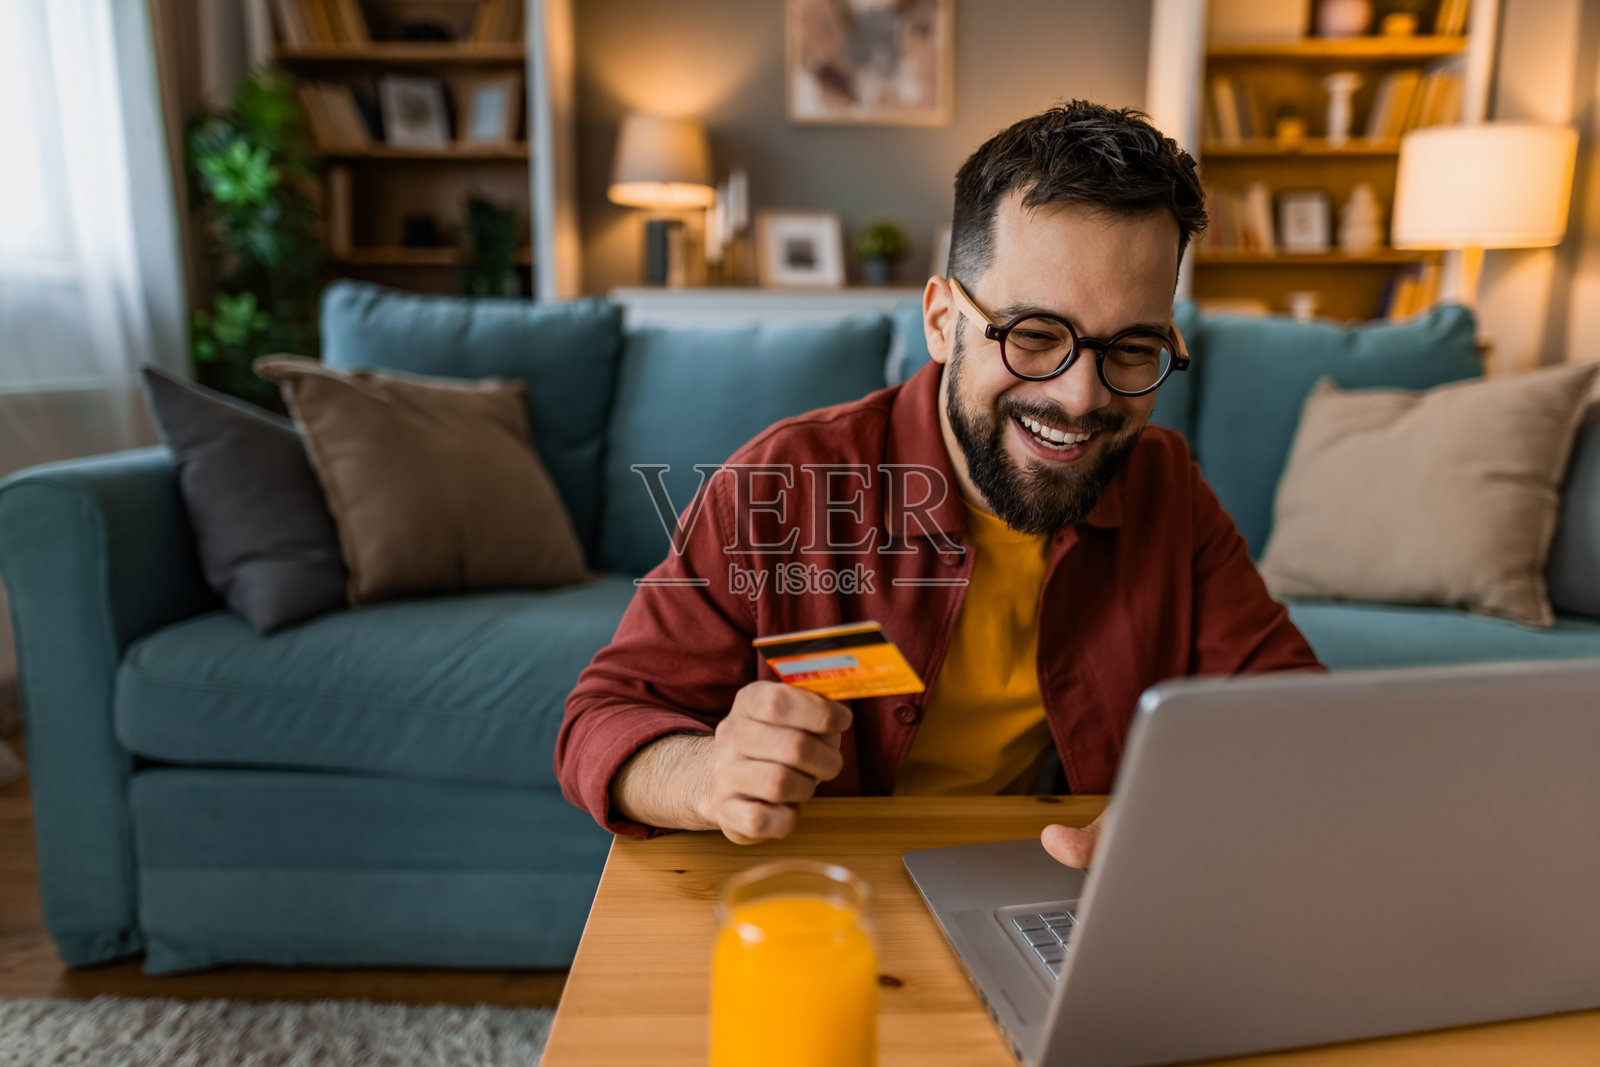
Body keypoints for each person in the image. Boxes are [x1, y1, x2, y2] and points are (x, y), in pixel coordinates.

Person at [555, 100, 1321, 868]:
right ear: (941, 320)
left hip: (1051, 893)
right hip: (830, 895)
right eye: (1034, 336)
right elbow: (602, 718)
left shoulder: (1167, 490)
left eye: (1132, 347)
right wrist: (707, 774)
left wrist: (1187, 798)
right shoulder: (782, 482)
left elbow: (1294, 713)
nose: (1083, 397)